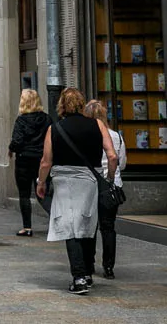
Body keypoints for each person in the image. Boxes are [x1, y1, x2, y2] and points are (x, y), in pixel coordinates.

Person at [36, 87, 118, 294]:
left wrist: (41, 183)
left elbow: (46, 161)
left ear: (61, 105)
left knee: (70, 227)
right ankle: (88, 272)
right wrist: (109, 178)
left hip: (64, 181)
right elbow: (112, 156)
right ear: (82, 104)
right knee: (87, 224)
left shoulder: (54, 129)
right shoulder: (97, 125)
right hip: (89, 181)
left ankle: (79, 276)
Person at [84, 99, 126, 279]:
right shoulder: (116, 136)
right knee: (108, 227)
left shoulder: (86, 135)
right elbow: (121, 163)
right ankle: (109, 267)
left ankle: (89, 263)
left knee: (90, 227)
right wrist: (111, 176)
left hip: (91, 185)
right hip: (112, 186)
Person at [8, 88, 51, 237]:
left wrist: (11, 149)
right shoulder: (47, 119)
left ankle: (27, 227)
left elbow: (17, 141)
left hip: (24, 160)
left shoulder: (21, 120)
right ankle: (55, 218)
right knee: (43, 191)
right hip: (42, 160)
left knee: (24, 194)